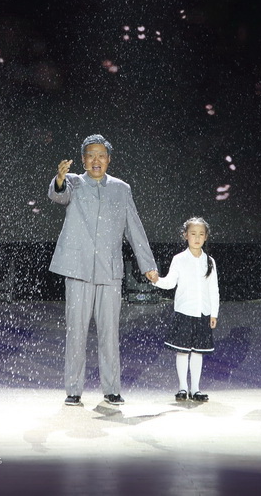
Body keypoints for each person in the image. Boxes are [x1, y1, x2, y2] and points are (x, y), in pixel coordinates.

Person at [48, 134, 158, 406]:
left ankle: (111, 389)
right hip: (78, 269)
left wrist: (148, 265)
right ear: (83, 159)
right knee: (76, 332)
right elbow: (58, 195)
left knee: (110, 333)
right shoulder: (73, 182)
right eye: (90, 155)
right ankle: (73, 390)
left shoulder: (121, 188)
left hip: (109, 271)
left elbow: (134, 227)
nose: (95, 160)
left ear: (108, 159)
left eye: (101, 155)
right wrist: (59, 178)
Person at [152, 217, 219, 402]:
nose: (197, 238)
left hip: (202, 313)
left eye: (201, 234)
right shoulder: (179, 259)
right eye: (193, 234)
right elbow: (170, 282)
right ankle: (182, 387)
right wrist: (156, 280)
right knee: (182, 351)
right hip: (184, 312)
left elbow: (213, 289)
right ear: (185, 236)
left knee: (197, 352)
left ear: (206, 237)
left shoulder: (210, 261)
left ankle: (196, 389)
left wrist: (214, 313)